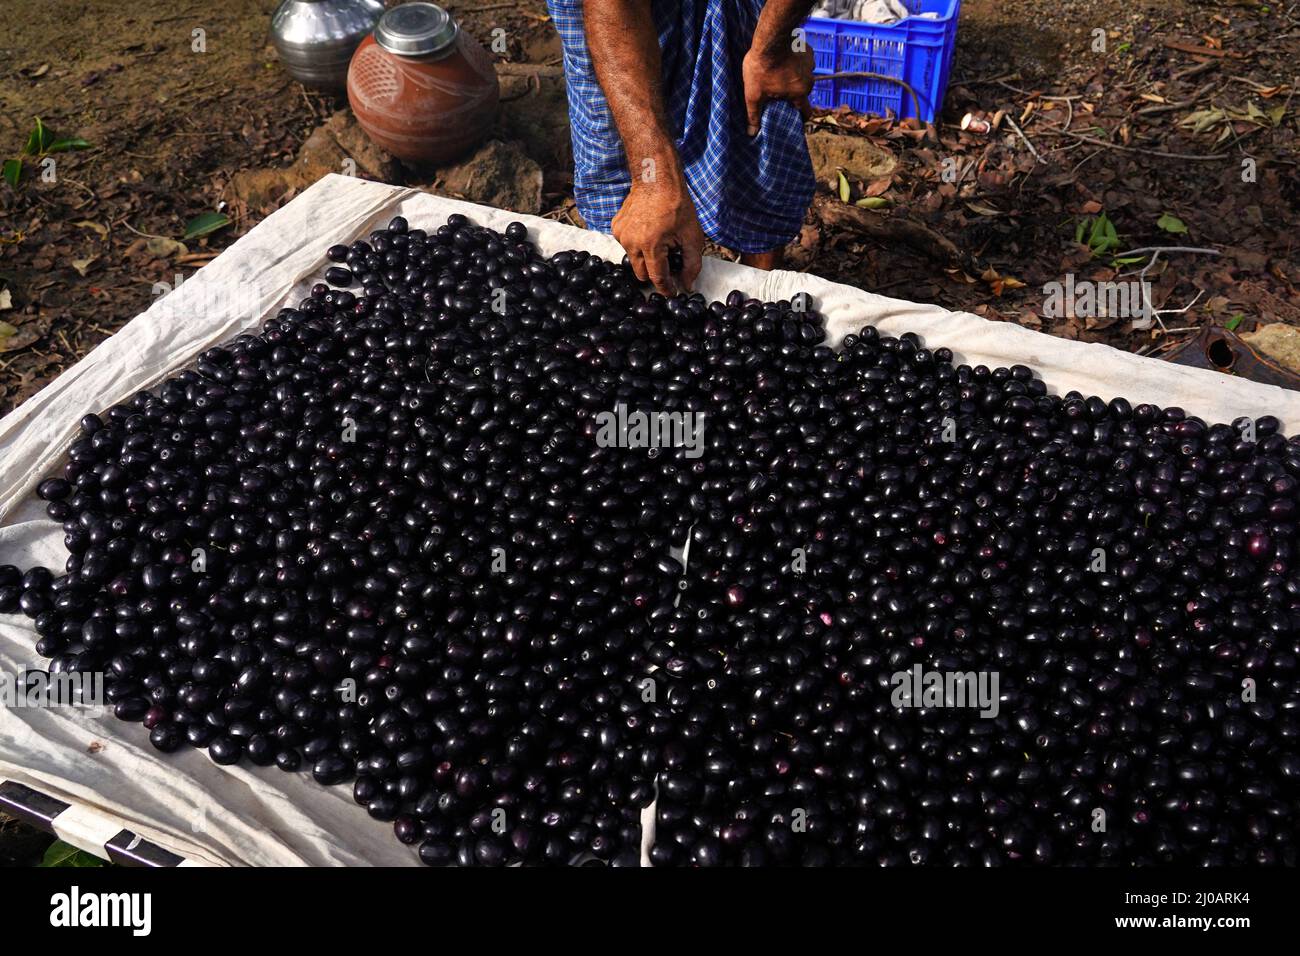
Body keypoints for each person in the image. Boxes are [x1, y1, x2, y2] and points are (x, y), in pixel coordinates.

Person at [546, 0, 818, 294]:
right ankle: (628, 288)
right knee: (615, 144)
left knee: (758, 127)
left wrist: (771, 50)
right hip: (611, 10)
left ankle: (760, 297)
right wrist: (653, 182)